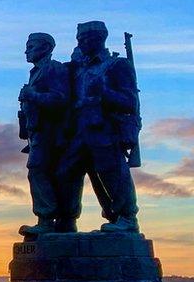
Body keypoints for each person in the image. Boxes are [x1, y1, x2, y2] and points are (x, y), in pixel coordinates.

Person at [61, 20, 140, 232]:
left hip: (104, 129)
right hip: (78, 130)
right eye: (79, 39)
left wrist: (104, 92)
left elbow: (130, 101)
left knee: (112, 171)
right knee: (67, 173)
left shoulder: (117, 65)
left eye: (85, 39)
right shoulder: (77, 69)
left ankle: (126, 218)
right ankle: (67, 220)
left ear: (99, 39)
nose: (81, 43)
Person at [17, 33, 71, 236]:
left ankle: (46, 219)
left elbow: (60, 99)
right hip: (37, 132)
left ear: (46, 47)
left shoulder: (53, 68)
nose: (26, 50)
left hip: (50, 132)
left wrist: (33, 96)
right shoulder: (37, 72)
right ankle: (50, 219)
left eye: (31, 46)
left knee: (38, 170)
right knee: (42, 172)